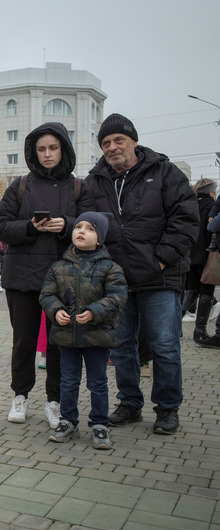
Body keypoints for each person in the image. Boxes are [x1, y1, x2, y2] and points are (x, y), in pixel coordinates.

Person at [84, 113, 198, 434]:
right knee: (120, 346)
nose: (112, 147)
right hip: (116, 281)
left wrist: (160, 260)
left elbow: (186, 220)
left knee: (164, 344)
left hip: (159, 277)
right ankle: (130, 403)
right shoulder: (95, 181)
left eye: (119, 140)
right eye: (105, 143)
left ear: (134, 141)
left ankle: (166, 409)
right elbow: (87, 226)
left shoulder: (164, 173)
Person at [0, 122, 93, 429]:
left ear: (63, 149)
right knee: (22, 342)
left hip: (65, 281)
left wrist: (66, 225)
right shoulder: (20, 185)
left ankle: (55, 401)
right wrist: (29, 228)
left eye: (53, 148)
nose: (47, 154)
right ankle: (20, 396)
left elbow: (92, 227)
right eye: (41, 149)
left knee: (58, 344)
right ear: (33, 153)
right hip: (22, 279)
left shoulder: (78, 187)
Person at [40, 212, 128, 449]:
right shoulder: (58, 267)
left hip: (97, 336)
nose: (81, 231)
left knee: (97, 382)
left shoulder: (110, 267)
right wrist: (55, 310)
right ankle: (68, 420)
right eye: (78, 226)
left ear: (100, 239)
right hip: (66, 335)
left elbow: (118, 296)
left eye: (90, 228)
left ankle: (99, 424)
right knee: (68, 381)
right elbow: (47, 294)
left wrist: (94, 311)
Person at [182, 178, 217, 341]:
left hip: (189, 255)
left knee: (192, 289)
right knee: (206, 291)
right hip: (207, 255)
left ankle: (175, 326)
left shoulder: (190, 204)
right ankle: (200, 330)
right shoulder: (212, 206)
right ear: (211, 191)